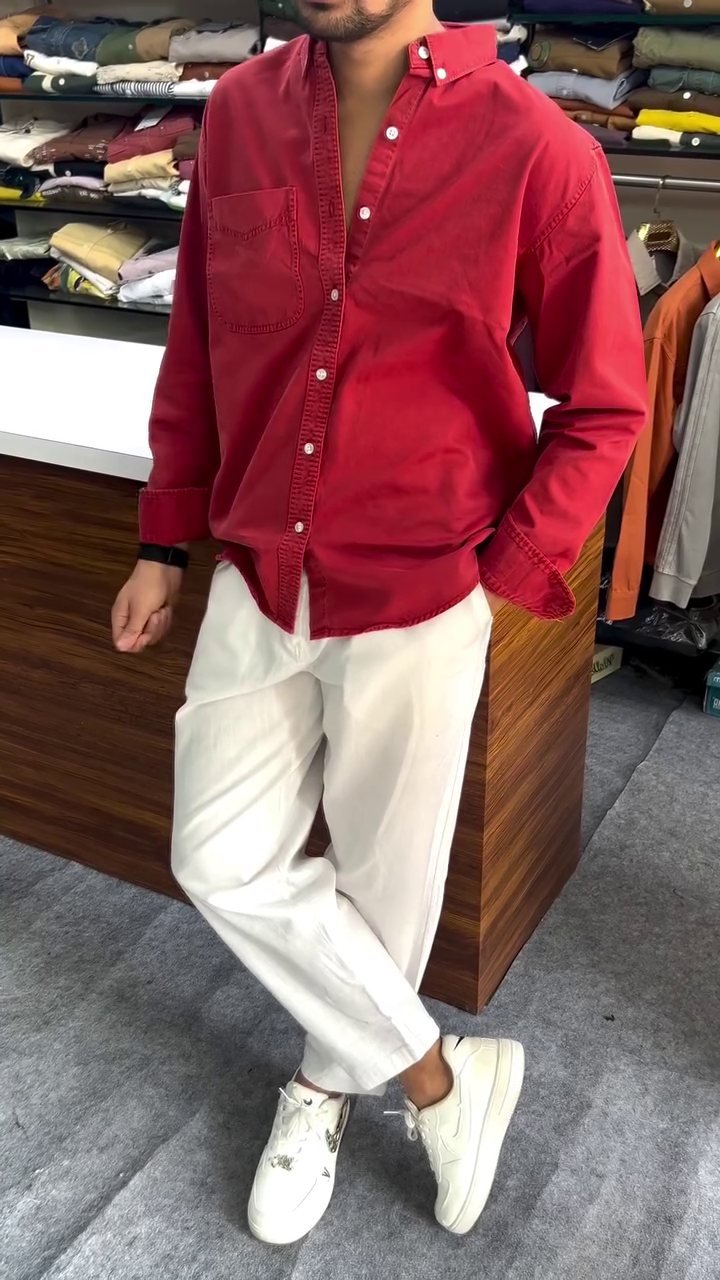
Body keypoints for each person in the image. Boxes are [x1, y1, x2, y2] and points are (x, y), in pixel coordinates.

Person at [111, 0, 647, 1246]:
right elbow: (198, 343)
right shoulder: (237, 113)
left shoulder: (540, 148)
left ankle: (321, 1086)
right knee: (217, 854)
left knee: (385, 887)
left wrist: (502, 569)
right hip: (259, 566)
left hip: (421, 587)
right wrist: (162, 537)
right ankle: (439, 1077)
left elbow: (607, 403)